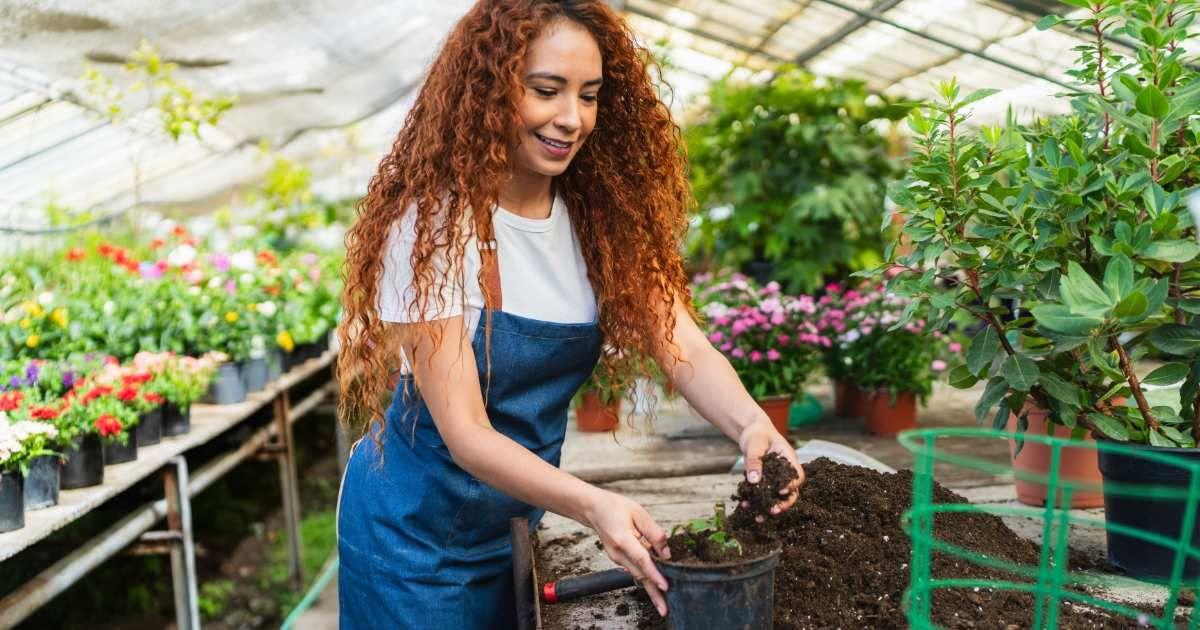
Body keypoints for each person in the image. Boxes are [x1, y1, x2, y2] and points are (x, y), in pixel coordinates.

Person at [335, 1, 805, 627]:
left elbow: (680, 343)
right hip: (410, 543)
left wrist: (751, 427)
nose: (571, 118)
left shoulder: (598, 221)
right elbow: (468, 437)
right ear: (488, 89)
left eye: (590, 95)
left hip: (513, 524)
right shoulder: (431, 231)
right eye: (546, 90)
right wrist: (593, 505)